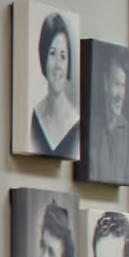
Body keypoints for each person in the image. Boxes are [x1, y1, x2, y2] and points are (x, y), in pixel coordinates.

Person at [29, 11, 78, 158]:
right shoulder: (36, 115)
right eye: (52, 53)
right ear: (43, 58)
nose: (58, 65)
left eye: (63, 56)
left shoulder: (75, 123)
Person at [84, 53, 129, 181]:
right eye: (117, 84)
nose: (121, 95)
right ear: (106, 83)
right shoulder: (90, 127)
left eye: (123, 86)